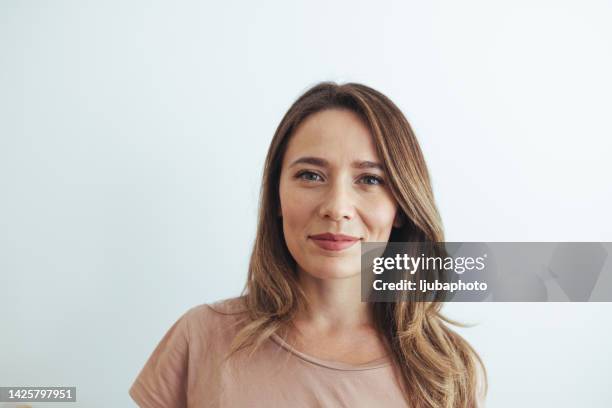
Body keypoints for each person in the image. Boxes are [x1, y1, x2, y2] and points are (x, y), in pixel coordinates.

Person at [129, 82, 487, 407]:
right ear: (276, 197)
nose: (336, 208)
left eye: (369, 179)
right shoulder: (201, 338)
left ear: (401, 208)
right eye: (311, 176)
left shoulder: (445, 370)